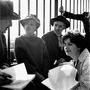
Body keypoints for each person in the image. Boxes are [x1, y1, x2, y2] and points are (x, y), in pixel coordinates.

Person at [15, 14, 50, 90]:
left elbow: (46, 59)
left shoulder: (41, 41)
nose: (28, 26)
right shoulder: (19, 40)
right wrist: (36, 74)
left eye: (31, 24)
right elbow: (22, 61)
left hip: (42, 75)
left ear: (35, 28)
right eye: (26, 23)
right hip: (28, 77)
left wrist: (44, 75)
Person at [0, 0, 20, 89]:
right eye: (8, 19)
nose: (11, 24)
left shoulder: (2, 37)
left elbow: (2, 60)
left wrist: (3, 66)